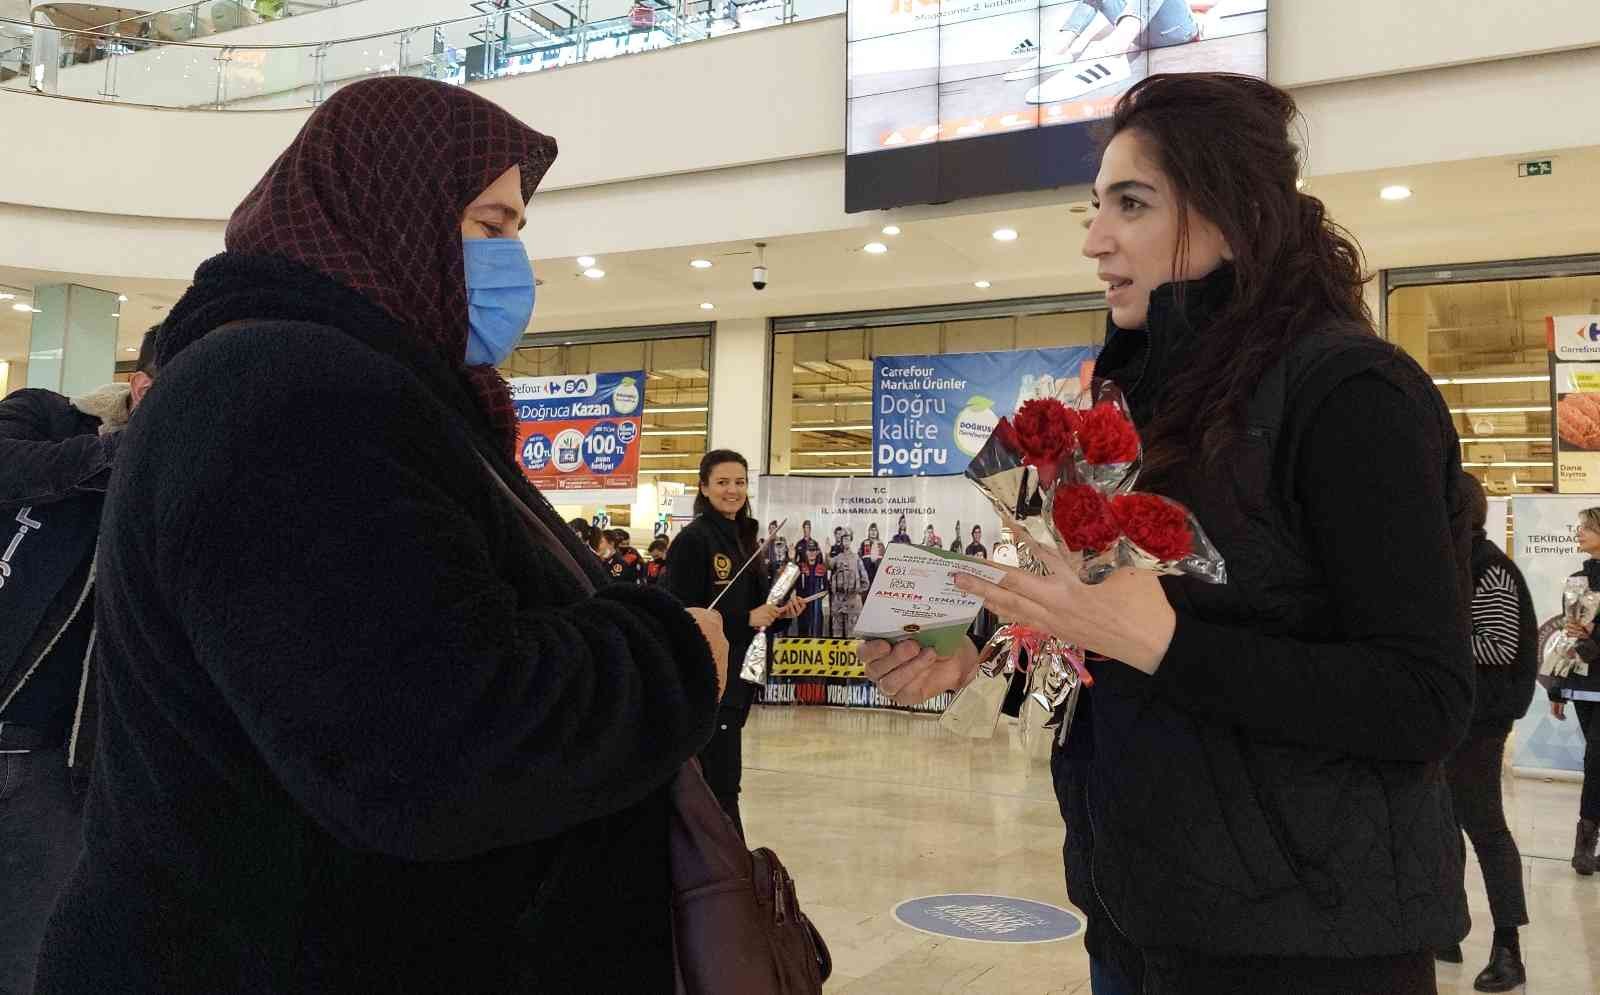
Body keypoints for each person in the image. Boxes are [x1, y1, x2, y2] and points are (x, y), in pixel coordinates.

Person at [33, 78, 728, 995]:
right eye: (491, 227)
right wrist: (671, 655)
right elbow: (430, 745)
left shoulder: (339, 389)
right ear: (389, 212)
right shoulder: (286, 400)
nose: (518, 263)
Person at [863, 73, 1473, 995]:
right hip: (1141, 917)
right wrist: (983, 641)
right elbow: (1121, 604)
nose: (1094, 238)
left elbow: (1423, 697)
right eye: (1095, 205)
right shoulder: (1143, 402)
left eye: (1131, 204)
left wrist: (1169, 644)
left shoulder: (1352, 394)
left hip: (1310, 946)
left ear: (1232, 214)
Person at [0, 328, 158, 995]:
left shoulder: (177, 485)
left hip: (59, 770)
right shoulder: (46, 415)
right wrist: (117, 455)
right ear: (143, 386)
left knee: (30, 963)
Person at [1434, 474, 1536, 992]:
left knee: (1485, 827)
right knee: (1441, 822)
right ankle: (1447, 928)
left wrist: (1433, 635)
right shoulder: (1454, 564)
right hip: (1452, 715)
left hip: (1482, 719)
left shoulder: (1490, 568)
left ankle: (1508, 947)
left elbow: (1498, 646)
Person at [665, 451, 800, 837]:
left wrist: (779, 611)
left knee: (724, 780)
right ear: (704, 488)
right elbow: (683, 616)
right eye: (723, 482)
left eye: (740, 482)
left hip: (740, 679)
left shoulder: (744, 540)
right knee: (719, 785)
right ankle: (726, 872)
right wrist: (746, 620)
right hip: (710, 682)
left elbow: (757, 610)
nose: (733, 490)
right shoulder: (694, 541)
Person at [1548, 505, 1600, 877]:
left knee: (1596, 760)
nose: (1578, 533)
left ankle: (1584, 843)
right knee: (1594, 760)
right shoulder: (1576, 578)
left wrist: (1595, 640)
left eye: (1585, 527)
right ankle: (1586, 842)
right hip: (1584, 684)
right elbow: (1568, 634)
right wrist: (1557, 687)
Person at [828, 531, 868, 638]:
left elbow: (865, 581)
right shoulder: (837, 558)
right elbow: (828, 565)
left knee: (852, 635)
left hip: (852, 601)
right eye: (843, 539)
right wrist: (826, 552)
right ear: (841, 541)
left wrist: (856, 591)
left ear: (851, 541)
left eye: (848, 539)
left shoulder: (856, 558)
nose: (845, 542)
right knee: (837, 634)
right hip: (838, 601)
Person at [795, 544, 828, 637]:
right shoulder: (800, 567)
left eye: (814, 550)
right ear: (806, 552)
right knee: (803, 629)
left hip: (816, 604)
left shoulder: (822, 568)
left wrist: (814, 598)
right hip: (802, 604)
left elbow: (825, 589)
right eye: (809, 550)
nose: (812, 553)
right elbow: (794, 586)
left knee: (817, 628)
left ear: (817, 552)